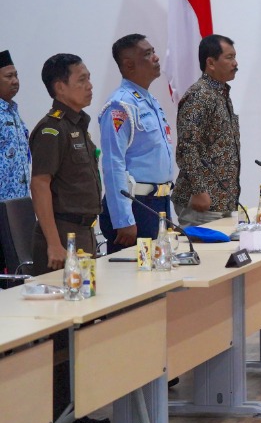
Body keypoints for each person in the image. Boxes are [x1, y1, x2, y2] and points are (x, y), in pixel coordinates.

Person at [98, 34, 175, 253]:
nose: (156, 58)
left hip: (158, 203)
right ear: (129, 64)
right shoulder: (120, 105)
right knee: (133, 273)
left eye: (153, 52)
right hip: (136, 206)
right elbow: (113, 164)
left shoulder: (149, 101)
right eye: (147, 54)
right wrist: (123, 218)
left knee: (162, 268)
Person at [27, 54, 101, 273]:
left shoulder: (77, 125)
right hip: (62, 236)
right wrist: (53, 244)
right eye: (82, 80)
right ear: (60, 87)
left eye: (89, 78)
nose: (89, 86)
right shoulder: (52, 130)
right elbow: (39, 185)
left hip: (84, 233)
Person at [174, 34, 241, 227]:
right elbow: (187, 147)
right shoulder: (200, 95)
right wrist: (199, 190)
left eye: (235, 57)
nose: (235, 63)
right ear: (210, 63)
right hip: (202, 204)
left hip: (221, 201)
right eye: (229, 57)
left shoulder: (220, 93)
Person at [0, 49, 31, 203]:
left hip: (20, 201)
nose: (15, 81)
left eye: (16, 75)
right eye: (9, 76)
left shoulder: (13, 111)